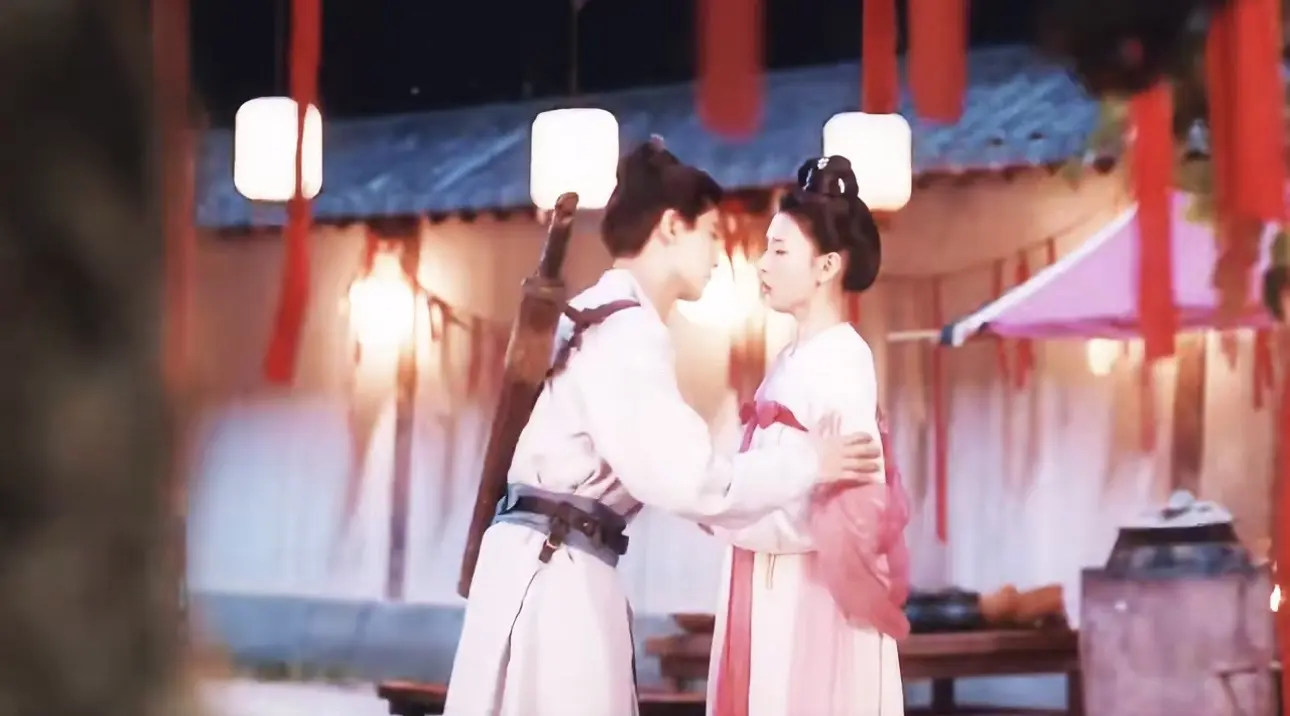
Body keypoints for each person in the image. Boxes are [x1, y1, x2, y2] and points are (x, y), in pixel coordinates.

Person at [443, 141, 885, 716]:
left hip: (555, 561)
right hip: (553, 572)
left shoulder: (606, 315)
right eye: (711, 234)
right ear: (673, 228)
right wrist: (808, 463)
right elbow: (689, 480)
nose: (721, 256)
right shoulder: (624, 332)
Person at [706, 156, 911, 716]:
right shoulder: (792, 358)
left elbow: (852, 512)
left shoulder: (844, 360)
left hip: (815, 599)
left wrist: (730, 511)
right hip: (771, 582)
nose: (762, 263)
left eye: (779, 250)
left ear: (826, 266)